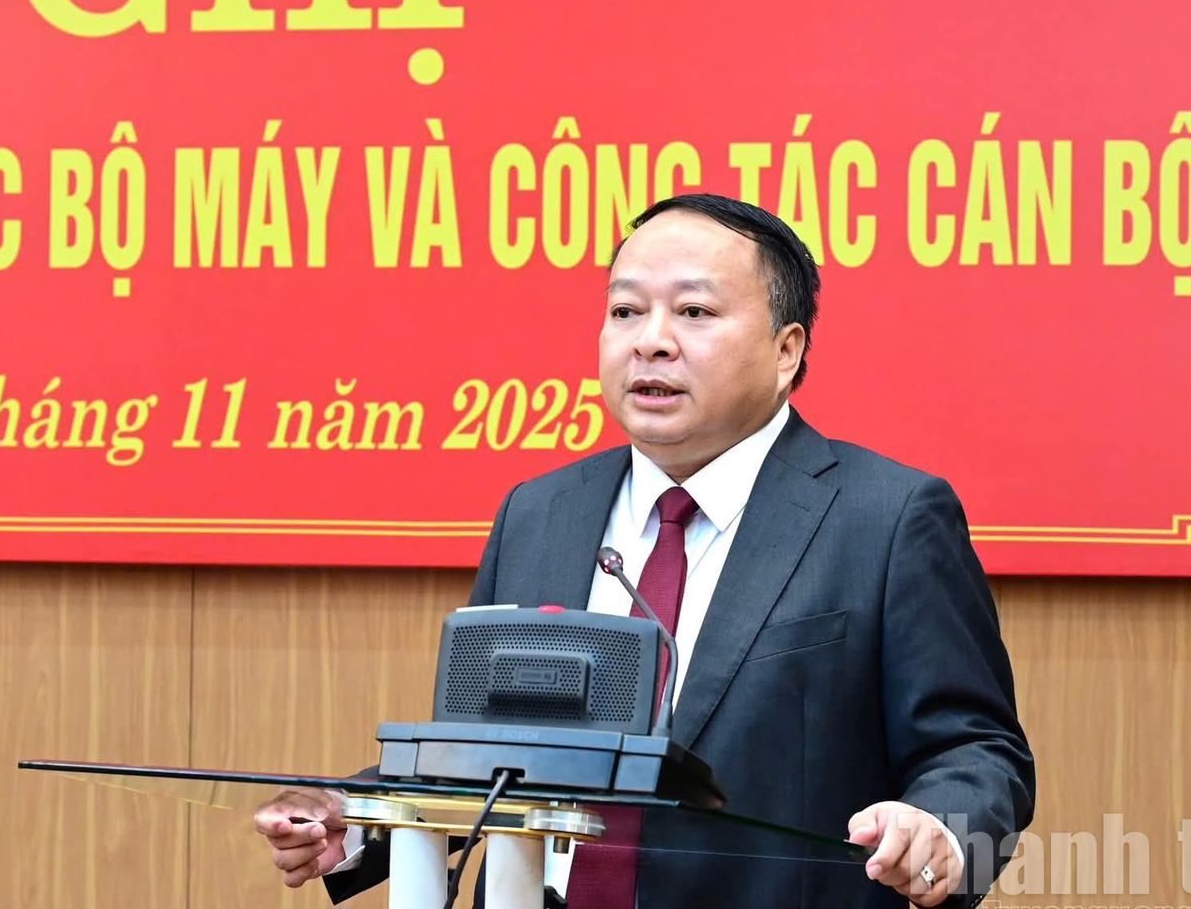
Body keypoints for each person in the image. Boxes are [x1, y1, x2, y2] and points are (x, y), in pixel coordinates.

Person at [254, 194, 1035, 908]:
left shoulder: (886, 518)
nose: (651, 341)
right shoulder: (540, 511)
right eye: (626, 311)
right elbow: (483, 751)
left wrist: (938, 828)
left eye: (694, 311)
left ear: (786, 349)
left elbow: (978, 748)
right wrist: (356, 817)